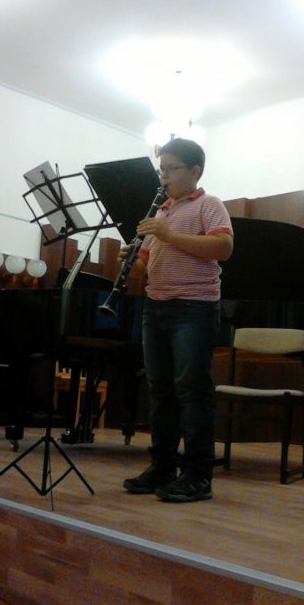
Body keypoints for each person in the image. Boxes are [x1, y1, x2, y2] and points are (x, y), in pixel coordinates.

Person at [122, 138, 233, 502]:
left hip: (193, 308)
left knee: (192, 391)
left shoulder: (209, 205)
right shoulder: (161, 211)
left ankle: (198, 475)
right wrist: (132, 260)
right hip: (156, 306)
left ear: (195, 171)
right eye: (162, 170)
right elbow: (145, 262)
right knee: (161, 392)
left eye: (171, 169)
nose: (164, 176)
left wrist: (169, 235)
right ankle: (163, 467)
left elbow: (223, 247)